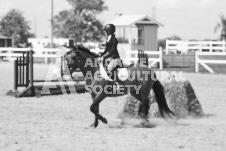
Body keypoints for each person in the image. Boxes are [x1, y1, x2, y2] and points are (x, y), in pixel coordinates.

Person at [99, 24, 122, 89]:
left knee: (109, 68)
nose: (105, 32)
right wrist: (102, 53)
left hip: (115, 58)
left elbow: (112, 50)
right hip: (110, 57)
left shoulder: (114, 40)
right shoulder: (108, 38)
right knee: (102, 67)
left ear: (109, 31)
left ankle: (116, 83)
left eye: (106, 31)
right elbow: (106, 49)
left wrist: (105, 57)